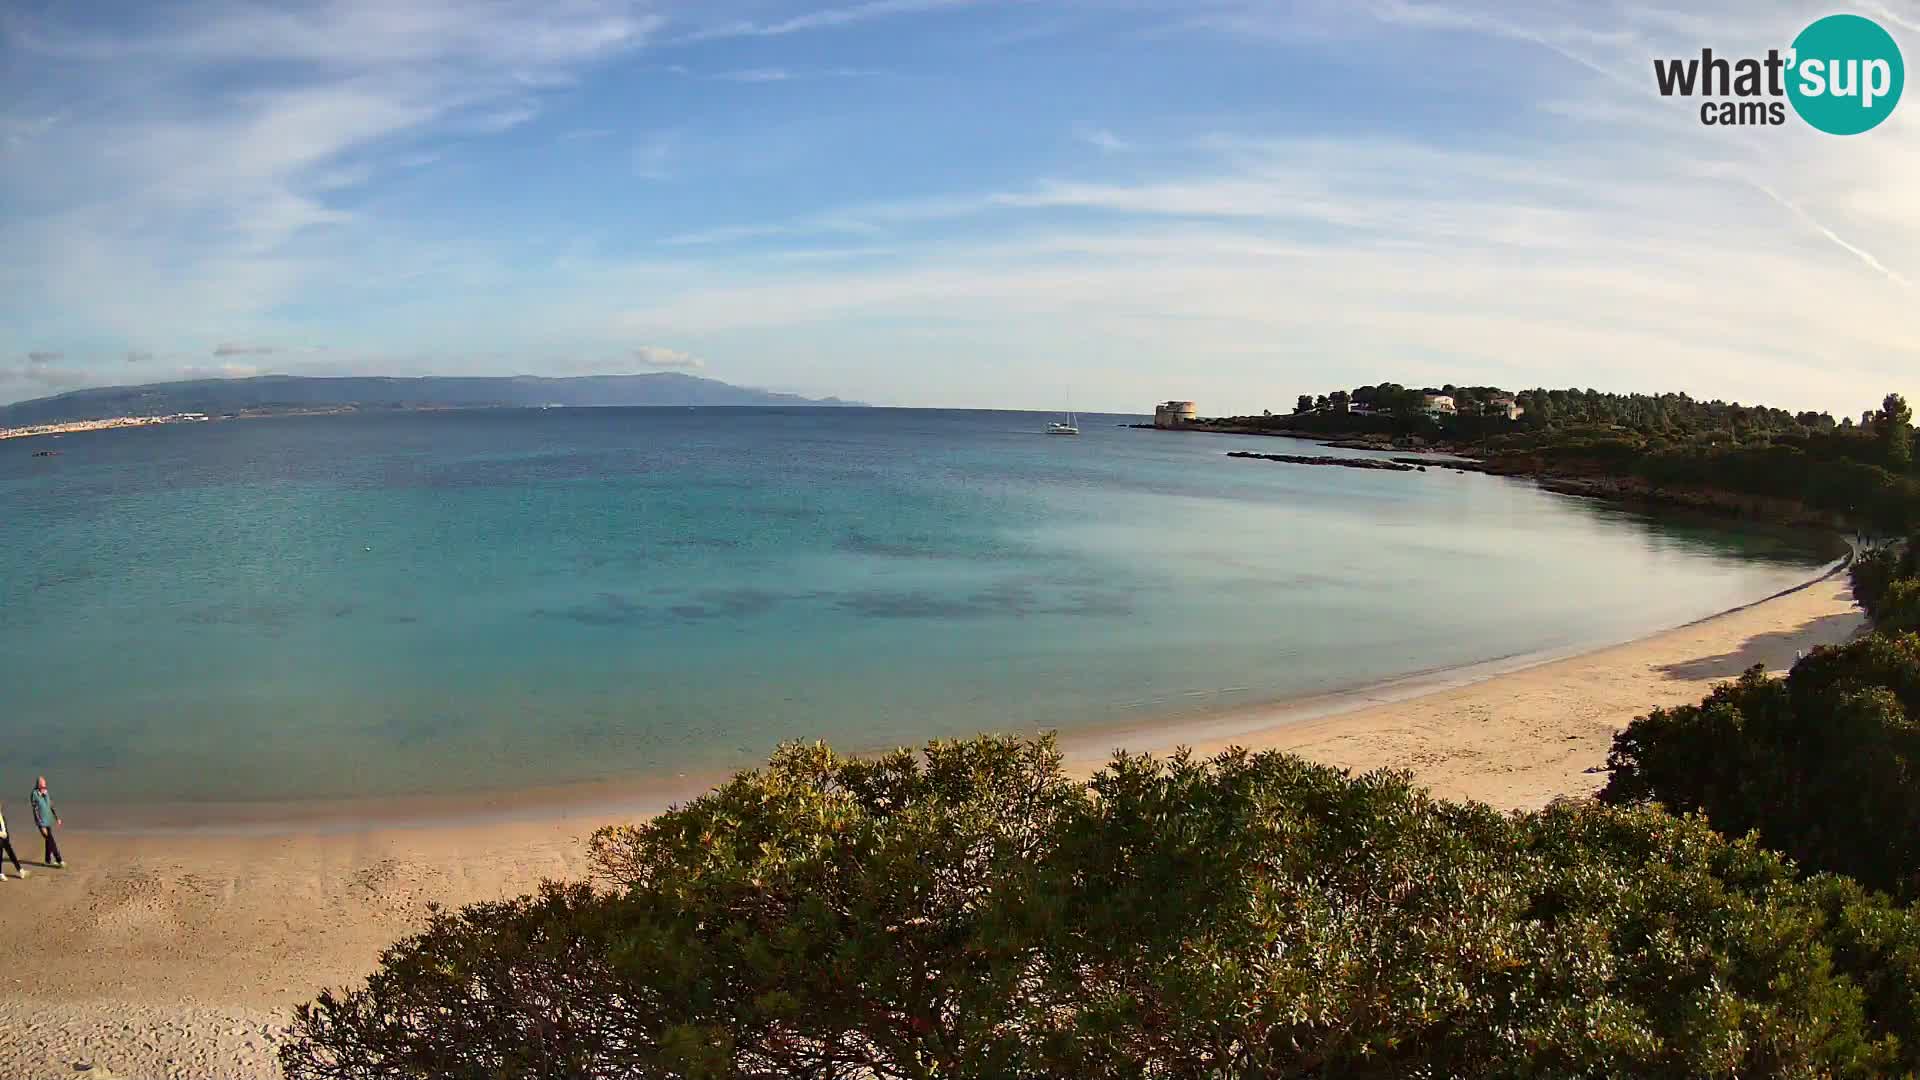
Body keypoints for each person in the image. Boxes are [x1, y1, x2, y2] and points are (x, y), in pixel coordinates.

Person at [30, 777, 63, 868]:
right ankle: (59, 859)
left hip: (48, 820)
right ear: (38, 785)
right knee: (50, 839)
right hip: (41, 823)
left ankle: (47, 860)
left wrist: (57, 818)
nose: (45, 786)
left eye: (45, 784)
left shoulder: (46, 793)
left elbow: (51, 806)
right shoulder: (34, 794)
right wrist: (39, 822)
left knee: (48, 840)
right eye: (43, 785)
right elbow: (35, 809)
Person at [0, 801, 24, 880]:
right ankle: (0, 874)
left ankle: (20, 870)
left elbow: (4, 826)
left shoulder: (1, 815)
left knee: (11, 853)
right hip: (1, 837)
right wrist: (1, 834)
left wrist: (6, 835)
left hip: (5, 838)